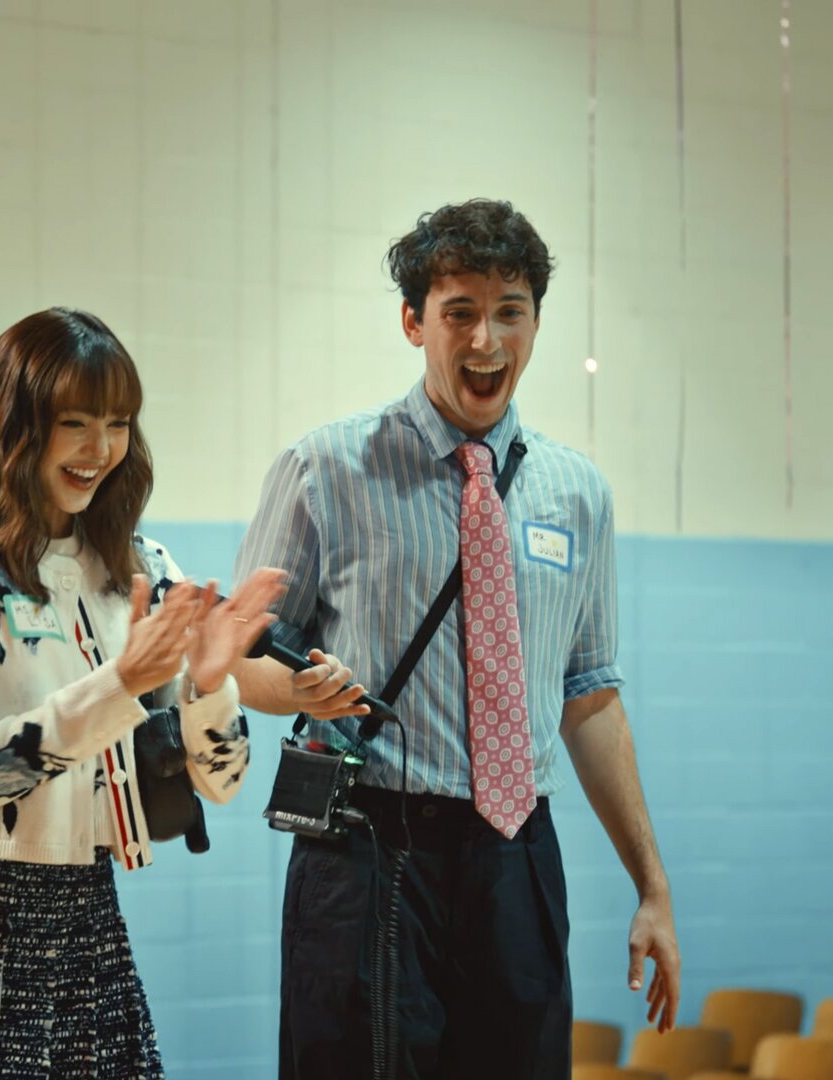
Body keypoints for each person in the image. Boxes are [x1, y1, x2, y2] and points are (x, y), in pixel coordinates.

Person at [232, 199, 681, 1078]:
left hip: (518, 858)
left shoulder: (576, 492)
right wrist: (300, 691)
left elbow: (589, 697)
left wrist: (652, 887)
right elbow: (243, 664)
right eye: (460, 312)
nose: (486, 340)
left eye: (510, 311)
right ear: (414, 322)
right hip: (369, 851)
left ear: (536, 322)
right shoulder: (325, 469)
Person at [0, 307, 287, 1080]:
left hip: (88, 925)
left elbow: (224, 782)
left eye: (118, 423)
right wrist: (123, 683)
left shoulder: (140, 564)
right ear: (17, 422)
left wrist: (209, 685)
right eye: (76, 422)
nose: (101, 449)